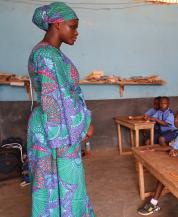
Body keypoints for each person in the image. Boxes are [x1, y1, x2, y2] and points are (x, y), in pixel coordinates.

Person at [27, 2, 95, 216]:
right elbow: (58, 99)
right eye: (73, 26)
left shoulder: (46, 52)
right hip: (57, 126)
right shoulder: (47, 55)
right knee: (64, 183)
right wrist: (83, 126)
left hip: (52, 123)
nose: (76, 32)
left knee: (52, 184)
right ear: (57, 24)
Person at [137, 110, 178, 215]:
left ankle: (153, 203)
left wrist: (154, 149)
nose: (175, 120)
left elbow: (171, 148)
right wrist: (154, 147)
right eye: (175, 117)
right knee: (162, 176)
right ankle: (153, 202)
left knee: (163, 176)